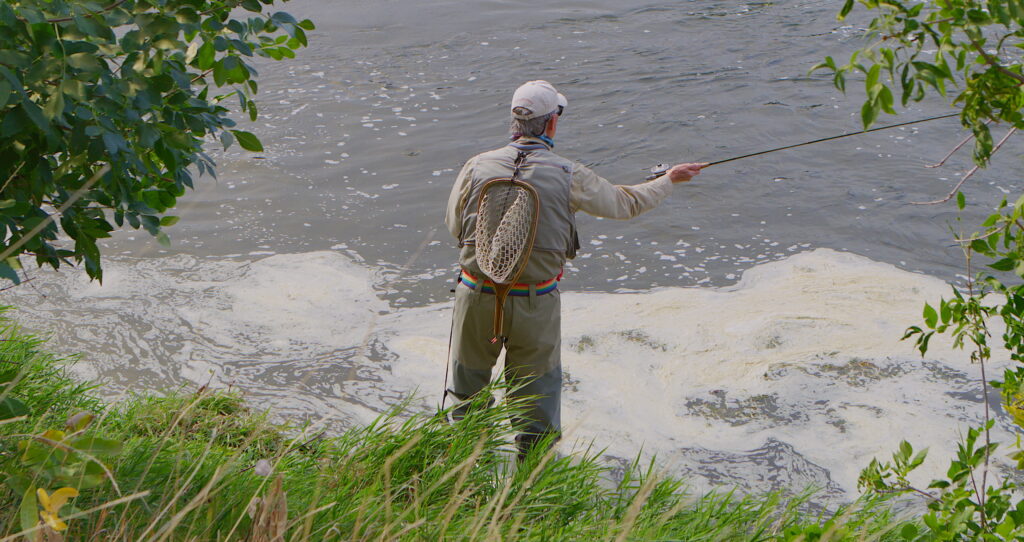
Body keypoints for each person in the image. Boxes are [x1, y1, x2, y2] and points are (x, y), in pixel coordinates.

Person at [444, 80, 703, 459]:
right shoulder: (569, 174)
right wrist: (668, 180)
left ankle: (463, 482)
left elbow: (455, 225)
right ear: (551, 125)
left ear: (514, 121)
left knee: (466, 397)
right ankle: (532, 492)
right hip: (534, 304)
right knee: (537, 406)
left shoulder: (476, 166)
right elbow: (626, 203)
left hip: (475, 294)